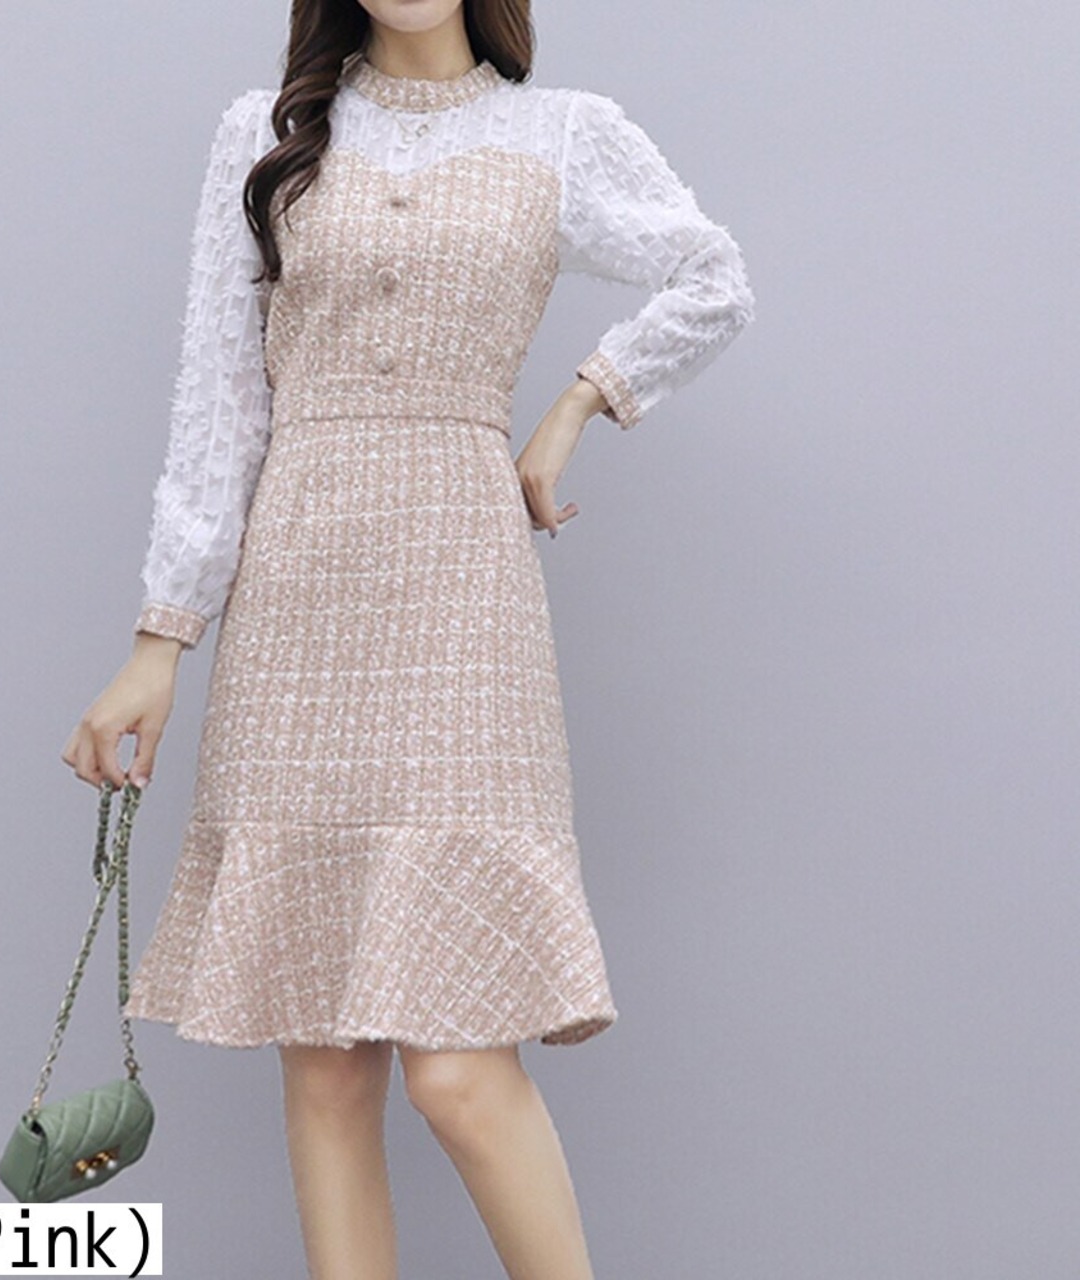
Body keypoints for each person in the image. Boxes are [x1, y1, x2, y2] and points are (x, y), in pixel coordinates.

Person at [62, 1, 755, 1275]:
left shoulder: (561, 133)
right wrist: (162, 636)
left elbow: (712, 276)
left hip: (463, 598)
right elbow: (219, 401)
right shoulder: (265, 136)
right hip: (295, 602)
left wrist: (577, 404)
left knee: (457, 1071)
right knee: (327, 1069)